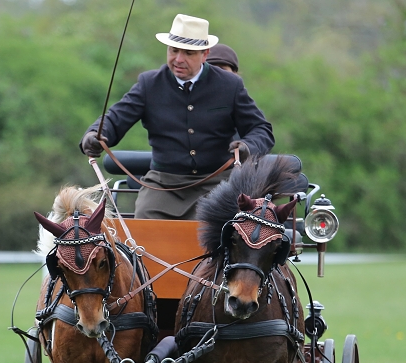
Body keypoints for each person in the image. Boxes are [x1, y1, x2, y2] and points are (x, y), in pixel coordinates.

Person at [80, 14, 274, 220]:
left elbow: (261, 129)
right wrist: (94, 133)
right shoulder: (149, 84)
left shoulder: (230, 85)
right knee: (144, 228)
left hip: (218, 183)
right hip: (163, 185)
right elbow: (115, 117)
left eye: (188, 53)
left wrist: (247, 146)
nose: (178, 60)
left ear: (205, 54)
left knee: (231, 231)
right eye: (173, 51)